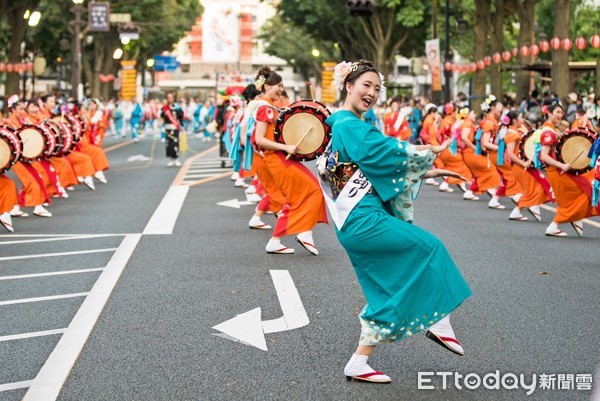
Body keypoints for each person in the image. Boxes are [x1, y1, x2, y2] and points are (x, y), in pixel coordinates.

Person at [322, 60, 471, 383]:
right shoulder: (348, 125)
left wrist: (433, 170)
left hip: (356, 220)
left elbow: (377, 166)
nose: (372, 93)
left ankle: (359, 363)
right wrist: (426, 151)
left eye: (377, 88)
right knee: (430, 248)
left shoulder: (344, 126)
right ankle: (439, 320)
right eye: (366, 85)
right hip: (364, 218)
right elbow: (386, 152)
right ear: (348, 85)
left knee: (386, 292)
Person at [252, 66, 328, 254]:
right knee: (303, 194)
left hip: (280, 158)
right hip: (276, 158)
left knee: (311, 190)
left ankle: (300, 233)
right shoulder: (264, 109)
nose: (281, 89)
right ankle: (291, 235)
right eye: (278, 85)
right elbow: (260, 139)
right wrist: (286, 147)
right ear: (267, 86)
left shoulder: (269, 107)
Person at [539, 98, 599, 236]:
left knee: (582, 191)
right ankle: (555, 225)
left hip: (561, 170)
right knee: (585, 191)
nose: (560, 115)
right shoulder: (548, 131)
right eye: (557, 112)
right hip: (557, 171)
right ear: (549, 113)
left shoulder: (552, 129)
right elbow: (544, 156)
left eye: (561, 112)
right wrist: (562, 165)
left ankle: (575, 218)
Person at [503, 110, 553, 221]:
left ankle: (532, 206)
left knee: (540, 185)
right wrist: (523, 163)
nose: (523, 120)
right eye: (521, 118)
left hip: (523, 165)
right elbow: (510, 154)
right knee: (535, 188)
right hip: (520, 166)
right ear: (515, 121)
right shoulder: (511, 134)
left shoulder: (515, 132)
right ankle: (520, 210)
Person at [161, 92, 184, 167]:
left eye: (171, 97)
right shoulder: (165, 108)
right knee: (169, 144)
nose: (170, 99)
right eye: (168, 97)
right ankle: (171, 159)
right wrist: (160, 123)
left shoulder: (177, 107)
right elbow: (162, 118)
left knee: (175, 144)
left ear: (173, 98)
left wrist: (182, 126)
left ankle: (176, 159)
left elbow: (181, 117)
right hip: (168, 128)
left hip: (175, 128)